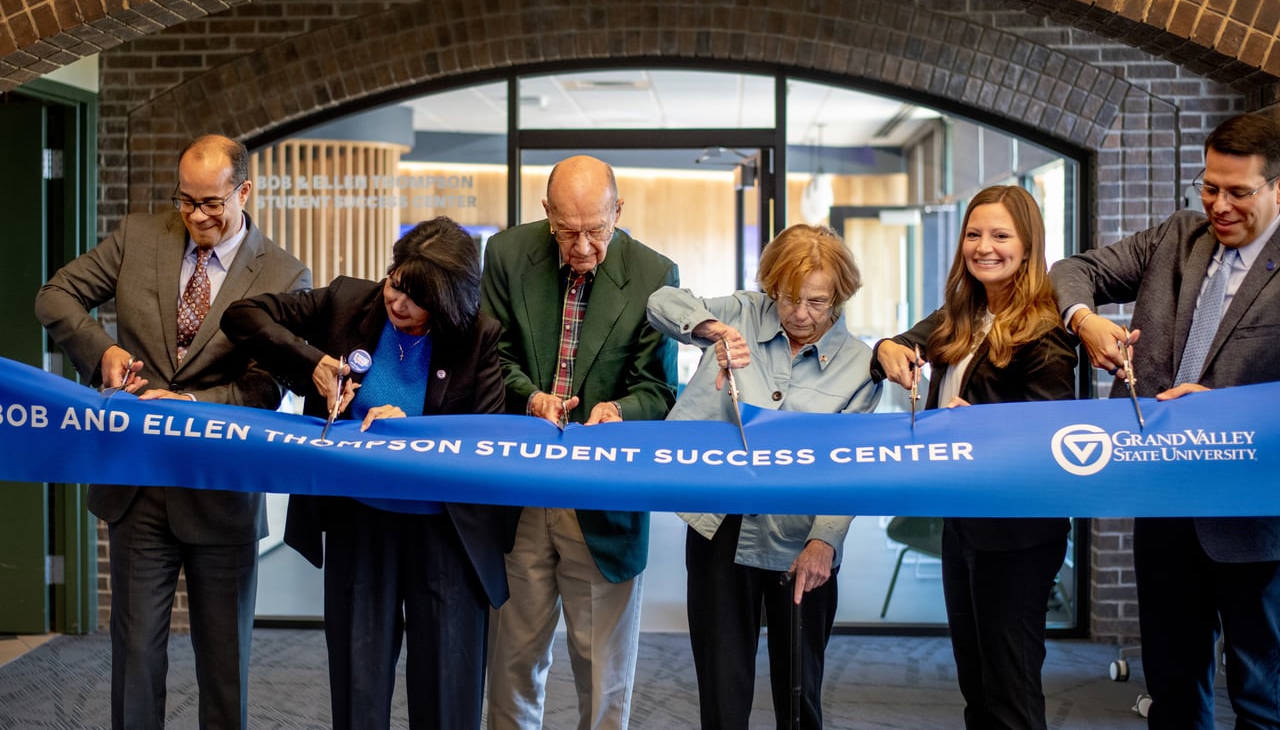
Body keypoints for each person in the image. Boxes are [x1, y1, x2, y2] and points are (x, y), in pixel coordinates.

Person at [33, 134, 311, 730]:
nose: (196, 217)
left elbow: (266, 389)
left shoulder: (285, 275)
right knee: (135, 661)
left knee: (222, 668)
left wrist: (186, 405)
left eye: (211, 204)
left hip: (221, 491)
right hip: (138, 486)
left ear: (245, 192)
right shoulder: (139, 236)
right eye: (185, 201)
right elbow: (56, 296)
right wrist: (102, 349)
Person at [220, 216, 510, 730]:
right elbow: (243, 316)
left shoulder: (478, 336)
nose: (397, 302)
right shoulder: (348, 302)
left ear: (447, 302)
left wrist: (415, 431)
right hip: (361, 523)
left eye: (416, 298)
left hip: (445, 533)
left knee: (447, 695)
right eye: (396, 282)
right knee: (359, 688)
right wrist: (313, 362)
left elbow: (484, 441)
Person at [1050, 112, 1280, 729]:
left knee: (1262, 696)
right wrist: (1085, 319)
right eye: (1210, 187)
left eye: (1238, 192)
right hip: (1166, 504)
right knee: (1173, 694)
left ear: (1277, 187)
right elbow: (1075, 272)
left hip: (1255, 516)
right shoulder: (1179, 236)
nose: (1220, 206)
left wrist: (1221, 409)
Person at [646, 223, 881, 730]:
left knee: (799, 698)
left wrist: (826, 541)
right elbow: (662, 302)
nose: (799, 313)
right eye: (788, 297)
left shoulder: (862, 366)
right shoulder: (743, 313)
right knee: (722, 691)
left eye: (817, 302)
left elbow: (852, 466)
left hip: (801, 539)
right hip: (719, 526)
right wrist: (712, 331)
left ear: (840, 295)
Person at [480, 155, 678, 730]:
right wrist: (529, 398)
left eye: (597, 229)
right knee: (514, 663)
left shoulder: (654, 275)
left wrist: (618, 409)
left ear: (619, 210)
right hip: (523, 490)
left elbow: (659, 389)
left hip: (602, 499)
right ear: (546, 214)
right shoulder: (509, 256)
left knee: (602, 674)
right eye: (568, 231)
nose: (584, 246)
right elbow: (493, 358)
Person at [874, 185, 1076, 730]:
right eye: (973, 234)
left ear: (1029, 246)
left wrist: (978, 427)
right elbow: (899, 344)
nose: (984, 247)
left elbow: (1048, 440)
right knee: (976, 687)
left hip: (1017, 534)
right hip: (962, 524)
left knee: (1010, 692)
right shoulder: (964, 313)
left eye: (1000, 236)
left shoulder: (1047, 332)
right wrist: (887, 347)